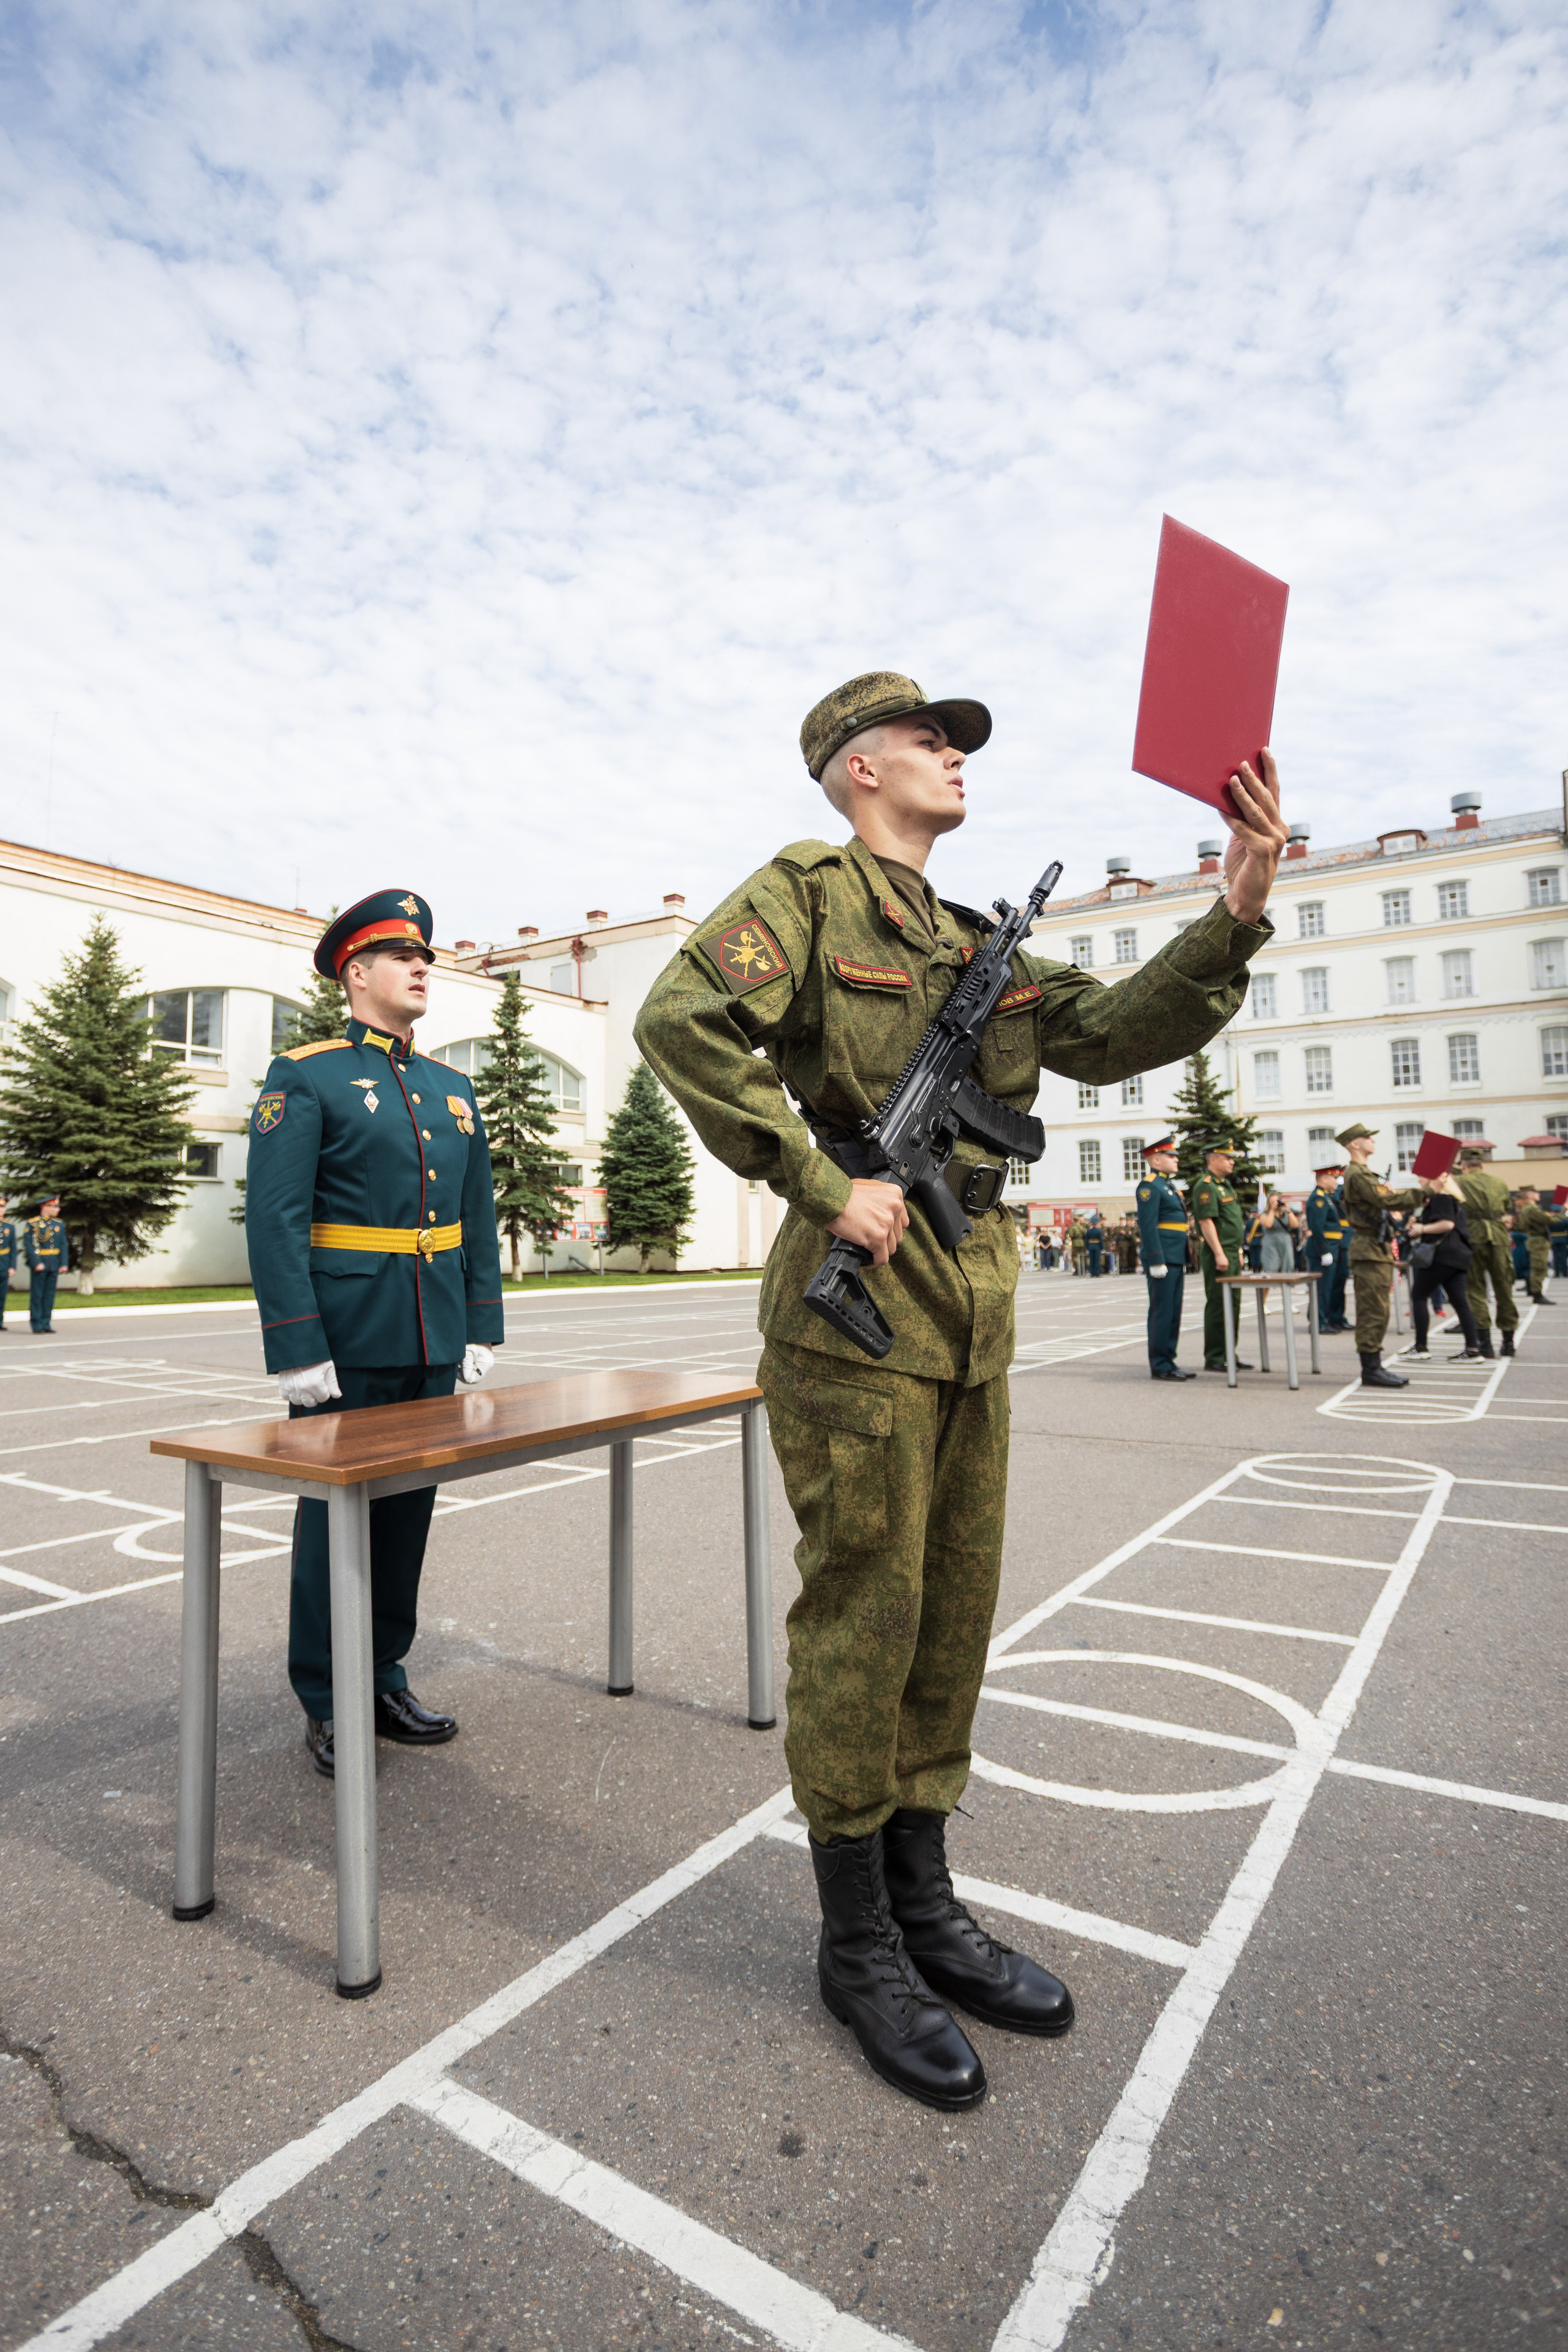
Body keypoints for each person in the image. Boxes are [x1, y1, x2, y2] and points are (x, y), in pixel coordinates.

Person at [634, 668, 1286, 2108]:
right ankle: (856, 1937)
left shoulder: (973, 935)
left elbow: (1114, 1028)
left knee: (949, 1604)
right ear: (861, 767)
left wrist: (1235, 905)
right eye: (930, 739)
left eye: (956, 743)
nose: (952, 755)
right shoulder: (806, 894)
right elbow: (678, 1022)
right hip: (854, 1311)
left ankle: (926, 1902)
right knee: (864, 1606)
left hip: (969, 1296)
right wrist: (820, 1177)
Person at [244, 890, 506, 1779]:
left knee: (405, 1518)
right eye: (404, 957)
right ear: (357, 974)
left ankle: (384, 1674)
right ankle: (325, 1697)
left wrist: (481, 1323)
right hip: (346, 1337)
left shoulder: (453, 1089)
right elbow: (275, 1222)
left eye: (426, 956)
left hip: (432, 1334)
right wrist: (296, 1345)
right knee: (333, 1526)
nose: (423, 966)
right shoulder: (305, 1075)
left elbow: (476, 1215)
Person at [1336, 1124, 1423, 1387]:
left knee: (1379, 1310)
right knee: (1373, 1311)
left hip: (1376, 1247)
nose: (1372, 1141)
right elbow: (1390, 1201)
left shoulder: (1364, 1174)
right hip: (1369, 1249)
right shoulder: (1358, 1175)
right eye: (1366, 1138)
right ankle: (1371, 1369)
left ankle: (1374, 1366)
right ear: (1354, 1144)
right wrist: (1427, 1192)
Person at [1400, 1174, 1482, 1360]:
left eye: (1421, 1177)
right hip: (1458, 1255)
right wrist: (1418, 1225)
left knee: (1419, 1296)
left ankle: (1421, 1347)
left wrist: (1422, 1228)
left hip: (1443, 1255)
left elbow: (1447, 1224)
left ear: (1433, 1180)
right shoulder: (1452, 1199)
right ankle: (1473, 1349)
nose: (1419, 1181)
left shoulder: (1441, 1197)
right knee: (1460, 1301)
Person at [1134, 1136, 1193, 1380]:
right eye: (1171, 1156)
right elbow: (1148, 1226)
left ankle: (1169, 1360)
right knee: (1162, 1310)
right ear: (1156, 1159)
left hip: (1175, 1256)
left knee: (1174, 1311)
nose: (1176, 1159)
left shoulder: (1168, 1186)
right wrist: (1156, 1259)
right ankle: (1160, 1364)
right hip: (1163, 1258)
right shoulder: (1149, 1186)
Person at [1191, 1144, 1252, 1371]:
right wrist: (1219, 1253)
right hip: (1219, 1255)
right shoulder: (1205, 1187)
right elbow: (1206, 1223)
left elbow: (1231, 1225)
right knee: (1219, 1304)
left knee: (1233, 1305)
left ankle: (1229, 1353)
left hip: (1230, 1253)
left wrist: (1237, 1251)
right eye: (1227, 1158)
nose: (1232, 1162)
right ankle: (1216, 1356)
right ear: (1213, 1159)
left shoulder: (1225, 1186)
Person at [1456, 1144, 1518, 1359]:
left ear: (1463, 1165)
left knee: (1475, 1290)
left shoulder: (1459, 1182)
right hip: (1498, 1235)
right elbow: (1506, 1206)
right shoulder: (1499, 1183)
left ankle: (1485, 1344)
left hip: (1473, 1235)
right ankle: (1509, 1343)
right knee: (1504, 1288)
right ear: (1482, 1165)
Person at [24, 1197, 69, 1333]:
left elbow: (63, 1245)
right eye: (54, 1207)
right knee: (37, 1295)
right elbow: (29, 1246)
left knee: (50, 1295)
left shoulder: (59, 1224)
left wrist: (64, 1263)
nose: (58, 1209)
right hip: (40, 1264)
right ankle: (36, 1323)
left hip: (53, 1264)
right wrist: (36, 1263)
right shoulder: (33, 1224)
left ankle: (46, 1323)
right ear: (45, 1207)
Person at [1514, 1186, 1557, 1304]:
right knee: (1539, 1268)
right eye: (1535, 1193)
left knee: (1537, 1267)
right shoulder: (1531, 1209)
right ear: (1529, 1196)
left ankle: (1534, 1291)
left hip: (1536, 1240)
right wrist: (1565, 1211)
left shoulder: (1527, 1209)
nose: (1538, 1194)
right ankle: (1537, 1294)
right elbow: (1550, 1221)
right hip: (1539, 1241)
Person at [0, 1197, 20, 1332]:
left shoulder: (9, 1225)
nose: (1, 1210)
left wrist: (12, 1266)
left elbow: (13, 1248)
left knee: (1, 1295)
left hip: (4, 1264)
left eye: (3, 1207)